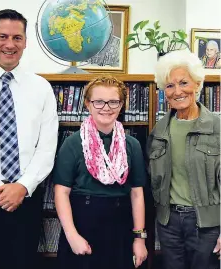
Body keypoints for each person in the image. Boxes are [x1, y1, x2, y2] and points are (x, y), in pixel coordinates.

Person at [0, 9, 58, 269]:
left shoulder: (41, 88)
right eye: (3, 36)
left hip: (26, 198)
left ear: (25, 41)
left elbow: (46, 147)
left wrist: (22, 186)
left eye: (17, 38)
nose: (10, 45)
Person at [53, 75, 148, 269]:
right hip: (82, 224)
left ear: (121, 105)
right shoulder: (72, 144)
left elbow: (137, 194)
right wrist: (72, 236)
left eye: (113, 101)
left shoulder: (132, 145)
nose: (106, 107)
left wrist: (139, 239)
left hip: (120, 225)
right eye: (99, 102)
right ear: (88, 104)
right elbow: (61, 192)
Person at [147, 50, 220, 269]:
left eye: (184, 83)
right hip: (169, 223)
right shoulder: (159, 131)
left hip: (207, 224)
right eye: (170, 85)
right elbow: (152, 179)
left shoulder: (217, 128)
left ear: (198, 84)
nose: (177, 91)